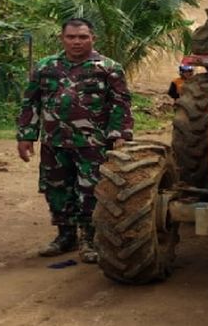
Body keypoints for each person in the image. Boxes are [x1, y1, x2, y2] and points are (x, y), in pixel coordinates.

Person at [16, 18, 133, 263]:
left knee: (90, 191)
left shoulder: (108, 68)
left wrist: (119, 136)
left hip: (93, 144)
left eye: (82, 37)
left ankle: (89, 239)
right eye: (71, 37)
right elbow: (31, 102)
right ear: (62, 38)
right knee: (56, 189)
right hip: (54, 143)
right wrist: (26, 135)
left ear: (93, 38)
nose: (76, 42)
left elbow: (120, 104)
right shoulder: (46, 66)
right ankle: (65, 235)